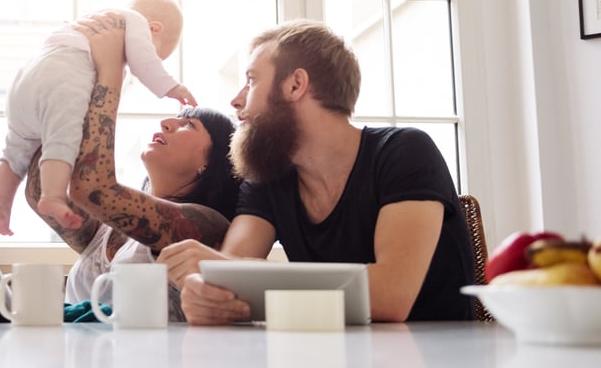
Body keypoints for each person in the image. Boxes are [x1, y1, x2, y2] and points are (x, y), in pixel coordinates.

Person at [0, 13, 241, 368]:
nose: (167, 121)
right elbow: (39, 192)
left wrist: (111, 71)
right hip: (62, 352)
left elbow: (93, 189)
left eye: (188, 125)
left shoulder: (204, 224)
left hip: (127, 358)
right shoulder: (107, 232)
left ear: (210, 163)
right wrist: (67, 82)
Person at [156, 19, 476, 323]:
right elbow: (228, 276)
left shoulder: (405, 151)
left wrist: (234, 275)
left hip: (439, 350)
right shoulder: (268, 179)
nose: (236, 100)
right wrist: (206, 295)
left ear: (295, 85)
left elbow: (390, 296)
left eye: (251, 80)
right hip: (333, 348)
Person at [0, 0, 197, 236]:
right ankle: (53, 195)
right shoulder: (134, 22)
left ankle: (0, 206)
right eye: (158, 53)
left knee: (14, 151)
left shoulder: (92, 21)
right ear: (154, 28)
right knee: (64, 138)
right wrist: (172, 88)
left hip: (23, 84)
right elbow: (146, 65)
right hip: (59, 81)